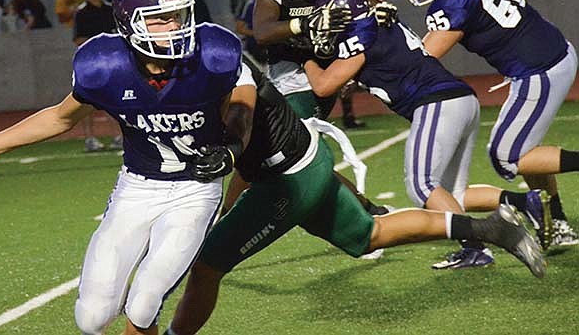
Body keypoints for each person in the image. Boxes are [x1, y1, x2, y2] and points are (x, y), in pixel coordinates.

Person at [0, 0, 245, 335]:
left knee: (143, 302)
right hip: (138, 187)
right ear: (128, 23)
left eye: (177, 15)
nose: (174, 26)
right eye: (159, 19)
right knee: (91, 317)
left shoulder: (214, 55)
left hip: (194, 191)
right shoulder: (104, 66)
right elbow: (60, 118)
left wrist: (230, 145)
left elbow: (238, 109)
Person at [161, 58, 545, 335]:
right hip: (306, 163)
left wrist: (225, 206)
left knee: (207, 267)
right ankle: (493, 228)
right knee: (369, 235)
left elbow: (239, 140)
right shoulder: (212, 63)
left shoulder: (217, 74)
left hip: (285, 180)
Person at [303, 0, 550, 268]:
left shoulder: (361, 36)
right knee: (453, 194)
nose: (323, 26)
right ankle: (524, 202)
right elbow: (386, 65)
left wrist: (305, 57)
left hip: (436, 102)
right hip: (459, 99)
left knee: (421, 187)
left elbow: (322, 86)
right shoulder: (380, 22)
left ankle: (476, 245)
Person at [402, 0, 579, 247]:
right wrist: (510, 31)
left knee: (507, 156)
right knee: (525, 149)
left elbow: (423, 58)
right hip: (551, 54)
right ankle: (558, 221)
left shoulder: (453, 4)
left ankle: (557, 218)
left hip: (540, 70)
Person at [244, 0, 390, 216]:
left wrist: (377, 5)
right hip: (286, 68)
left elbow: (360, 4)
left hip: (321, 67)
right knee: (272, 151)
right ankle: (366, 208)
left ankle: (363, 211)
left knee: (296, 149)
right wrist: (305, 23)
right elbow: (262, 31)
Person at [74, 0, 121, 151]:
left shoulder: (110, 9)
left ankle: (117, 135)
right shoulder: (82, 12)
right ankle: (90, 138)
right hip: (91, 62)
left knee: (114, 99)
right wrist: (99, 44)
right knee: (86, 100)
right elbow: (77, 39)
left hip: (112, 61)